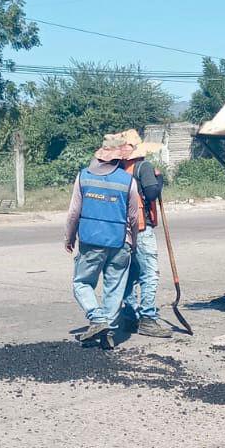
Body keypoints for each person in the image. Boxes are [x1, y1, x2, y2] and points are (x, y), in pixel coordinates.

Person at [64, 133, 141, 345]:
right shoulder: (128, 181)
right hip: (120, 243)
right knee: (114, 289)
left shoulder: (83, 177)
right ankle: (108, 331)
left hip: (91, 242)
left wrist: (69, 237)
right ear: (119, 159)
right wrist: (132, 241)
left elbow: (73, 213)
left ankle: (98, 318)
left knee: (81, 283)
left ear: (99, 157)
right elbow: (134, 217)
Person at [114, 128, 177, 337]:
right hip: (141, 228)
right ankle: (148, 318)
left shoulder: (114, 169)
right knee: (149, 273)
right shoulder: (143, 167)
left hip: (119, 230)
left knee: (129, 274)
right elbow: (151, 193)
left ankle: (129, 316)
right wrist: (159, 180)